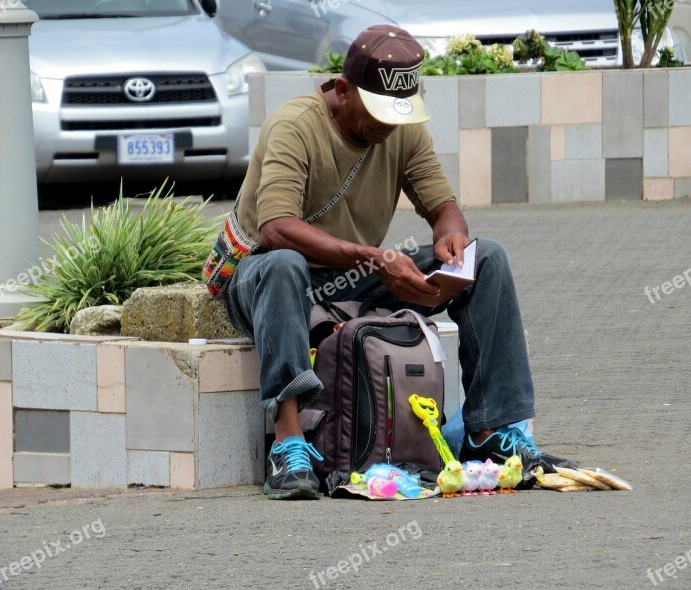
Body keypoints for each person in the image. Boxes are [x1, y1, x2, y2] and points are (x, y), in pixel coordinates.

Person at [223, 24, 574, 500]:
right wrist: (373, 258)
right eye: (378, 112)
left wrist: (452, 242)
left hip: (354, 274)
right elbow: (276, 227)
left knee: (486, 257)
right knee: (286, 262)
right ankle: (289, 442)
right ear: (342, 90)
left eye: (397, 113)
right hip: (266, 278)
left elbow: (443, 208)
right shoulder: (295, 125)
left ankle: (491, 430)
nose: (389, 126)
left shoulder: (402, 130)